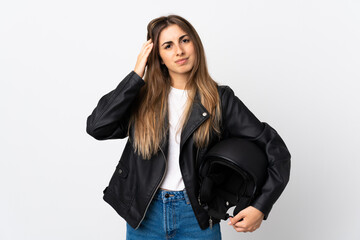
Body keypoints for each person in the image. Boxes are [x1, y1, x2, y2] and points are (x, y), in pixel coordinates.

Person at [86, 14, 291, 240]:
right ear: (159, 57)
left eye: (185, 40)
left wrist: (261, 206)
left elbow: (276, 150)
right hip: (145, 217)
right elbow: (98, 127)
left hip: (196, 218)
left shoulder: (220, 100)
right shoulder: (141, 98)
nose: (179, 51)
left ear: (196, 44)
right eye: (168, 46)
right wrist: (135, 76)